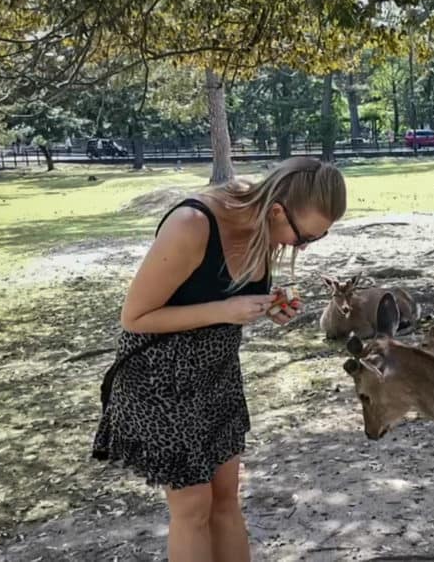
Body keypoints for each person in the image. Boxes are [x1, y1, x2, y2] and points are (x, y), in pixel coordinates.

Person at [92, 157, 346, 562]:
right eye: (304, 239)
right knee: (193, 508)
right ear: (277, 210)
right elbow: (135, 318)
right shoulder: (193, 224)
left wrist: (268, 305)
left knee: (226, 499)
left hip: (218, 376)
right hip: (162, 380)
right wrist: (225, 311)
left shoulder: (263, 221)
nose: (301, 248)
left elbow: (221, 288)